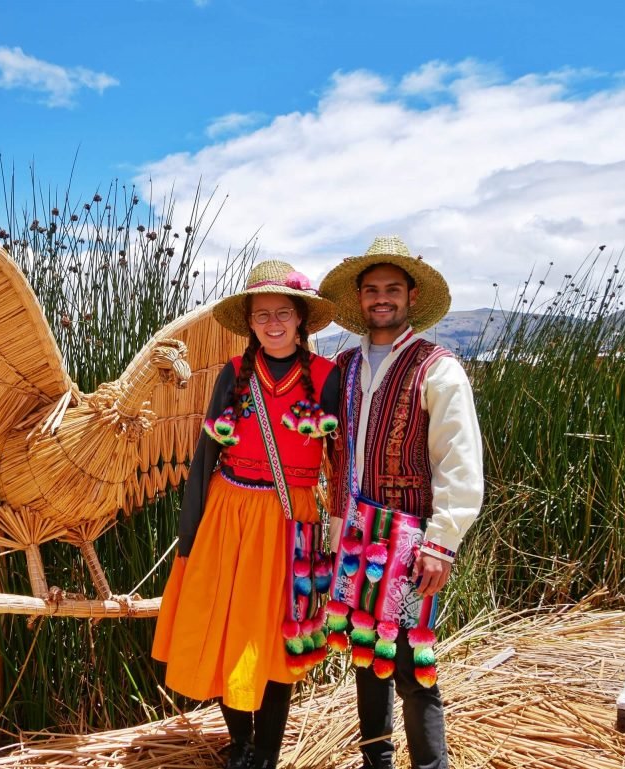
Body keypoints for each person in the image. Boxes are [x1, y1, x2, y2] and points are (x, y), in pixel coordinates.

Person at [152, 260, 341, 769]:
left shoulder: (327, 379)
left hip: (289, 518)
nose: (273, 323)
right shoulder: (233, 376)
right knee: (223, 629)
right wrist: (189, 534)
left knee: (277, 637)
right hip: (227, 514)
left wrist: (341, 535)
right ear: (251, 322)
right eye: (262, 315)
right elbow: (205, 456)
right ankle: (239, 746)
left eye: (283, 312)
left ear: (301, 319)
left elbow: (341, 463)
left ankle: (266, 754)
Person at [318, 235, 484, 769]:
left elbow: (459, 461)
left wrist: (443, 543)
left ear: (411, 296)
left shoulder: (437, 367)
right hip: (354, 535)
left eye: (392, 289)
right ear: (360, 298)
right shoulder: (343, 368)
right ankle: (377, 763)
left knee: (413, 660)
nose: (381, 299)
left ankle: (430, 766)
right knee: (367, 654)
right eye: (372, 290)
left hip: (412, 542)